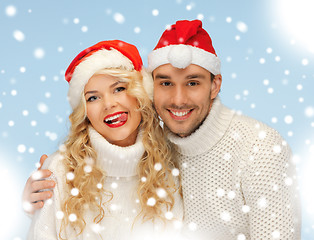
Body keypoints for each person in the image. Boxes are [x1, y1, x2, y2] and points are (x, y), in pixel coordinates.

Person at [24, 20, 301, 239]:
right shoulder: (61, 171)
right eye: (166, 83)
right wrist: (31, 200)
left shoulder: (255, 147)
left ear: (215, 85)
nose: (178, 99)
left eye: (192, 82)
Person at [26, 40, 183, 240]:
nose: (109, 104)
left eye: (119, 89)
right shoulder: (60, 170)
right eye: (93, 98)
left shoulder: (170, 168)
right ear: (85, 113)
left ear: (140, 94)